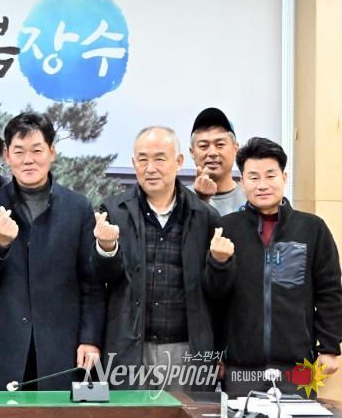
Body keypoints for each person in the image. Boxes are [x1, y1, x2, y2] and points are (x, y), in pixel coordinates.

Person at [0, 112, 105, 390]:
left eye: (37, 150)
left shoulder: (78, 207)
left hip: (62, 348)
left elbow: (91, 282)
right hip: (3, 349)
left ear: (52, 152)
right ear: (7, 155)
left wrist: (90, 338)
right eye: (19, 152)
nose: (28, 160)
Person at [203, 137, 342, 396]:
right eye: (253, 177)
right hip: (240, 367)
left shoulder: (312, 229)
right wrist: (218, 263)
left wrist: (330, 347)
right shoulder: (226, 228)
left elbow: (330, 291)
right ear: (242, 182)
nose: (263, 185)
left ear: (284, 177)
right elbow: (213, 296)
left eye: (270, 175)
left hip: (299, 367)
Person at [91, 126, 220, 389]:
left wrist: (222, 263)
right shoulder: (113, 211)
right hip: (129, 349)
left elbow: (218, 291)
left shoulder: (204, 216)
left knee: (186, 409)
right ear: (133, 163)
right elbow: (101, 280)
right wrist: (106, 247)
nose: (150, 168)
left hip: (187, 349)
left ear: (179, 161)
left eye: (159, 159)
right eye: (142, 159)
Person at [189, 107, 246, 215]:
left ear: (235, 149)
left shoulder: (252, 198)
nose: (212, 153)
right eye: (203, 146)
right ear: (192, 152)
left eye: (220, 144)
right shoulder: (179, 199)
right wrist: (201, 200)